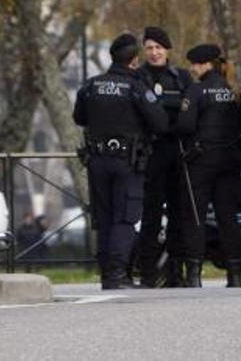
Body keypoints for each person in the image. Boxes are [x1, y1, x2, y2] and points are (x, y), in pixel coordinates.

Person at [73, 33, 168, 289]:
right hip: (127, 161)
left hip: (97, 160)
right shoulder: (136, 87)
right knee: (125, 218)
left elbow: (79, 117)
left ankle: (107, 273)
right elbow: (160, 123)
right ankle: (117, 274)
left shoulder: (91, 85)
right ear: (134, 60)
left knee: (103, 218)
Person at [175, 43, 241, 287]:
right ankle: (234, 273)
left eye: (194, 64)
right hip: (230, 162)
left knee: (195, 216)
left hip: (201, 162)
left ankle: (194, 274)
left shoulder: (196, 91)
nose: (192, 69)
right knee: (228, 218)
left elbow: (184, 126)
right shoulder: (232, 90)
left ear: (205, 64)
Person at [135, 26, 193, 287]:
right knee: (150, 216)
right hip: (150, 153)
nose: (154, 52)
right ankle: (148, 273)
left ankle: (175, 272)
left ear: (167, 50)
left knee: (179, 216)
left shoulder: (181, 77)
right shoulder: (138, 78)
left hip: (176, 153)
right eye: (149, 48)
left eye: (158, 48)